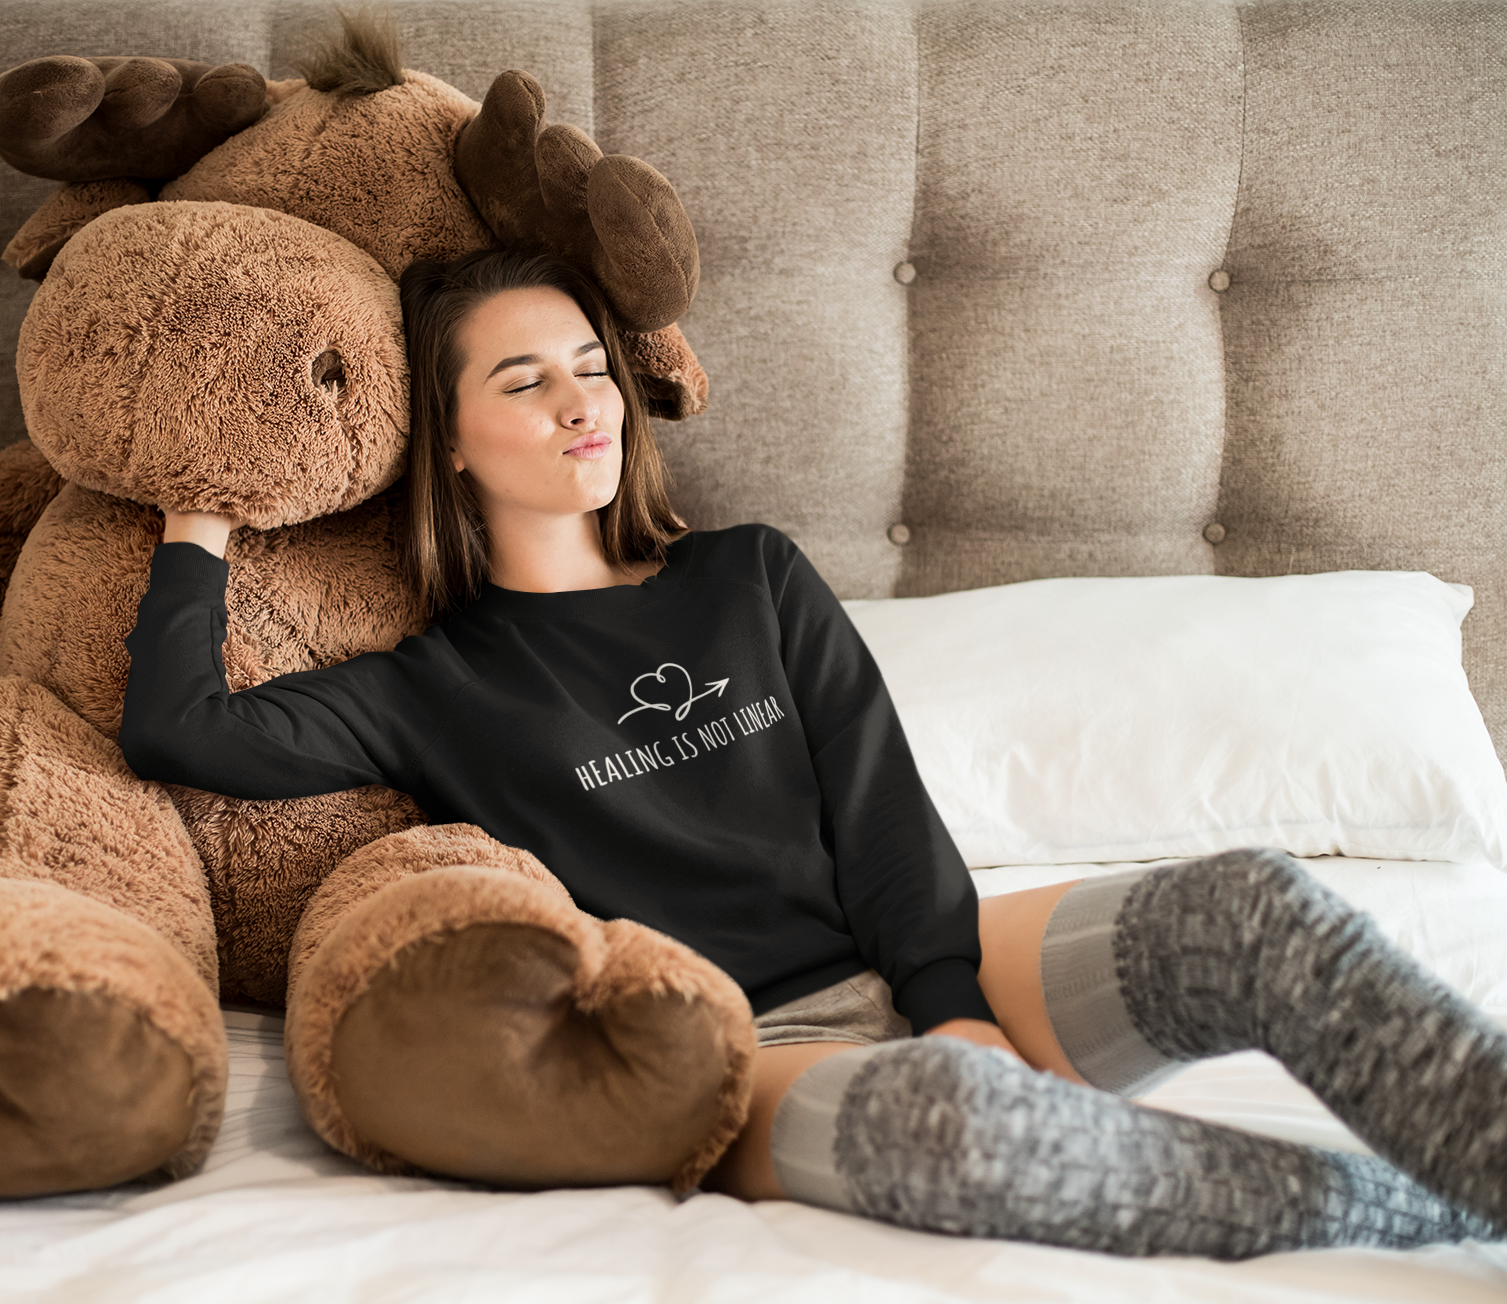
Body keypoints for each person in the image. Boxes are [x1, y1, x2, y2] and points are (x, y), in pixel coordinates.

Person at [119, 247, 1505, 1258]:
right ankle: (1407, 1218)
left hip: (913, 958)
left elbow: (879, 809)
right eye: (525, 382)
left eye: (593, 368)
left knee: (1247, 908)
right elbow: (180, 729)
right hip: (735, 1045)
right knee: (954, 1124)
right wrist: (202, 515)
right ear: (452, 438)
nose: (582, 404)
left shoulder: (750, 577)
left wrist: (949, 996)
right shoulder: (435, 685)